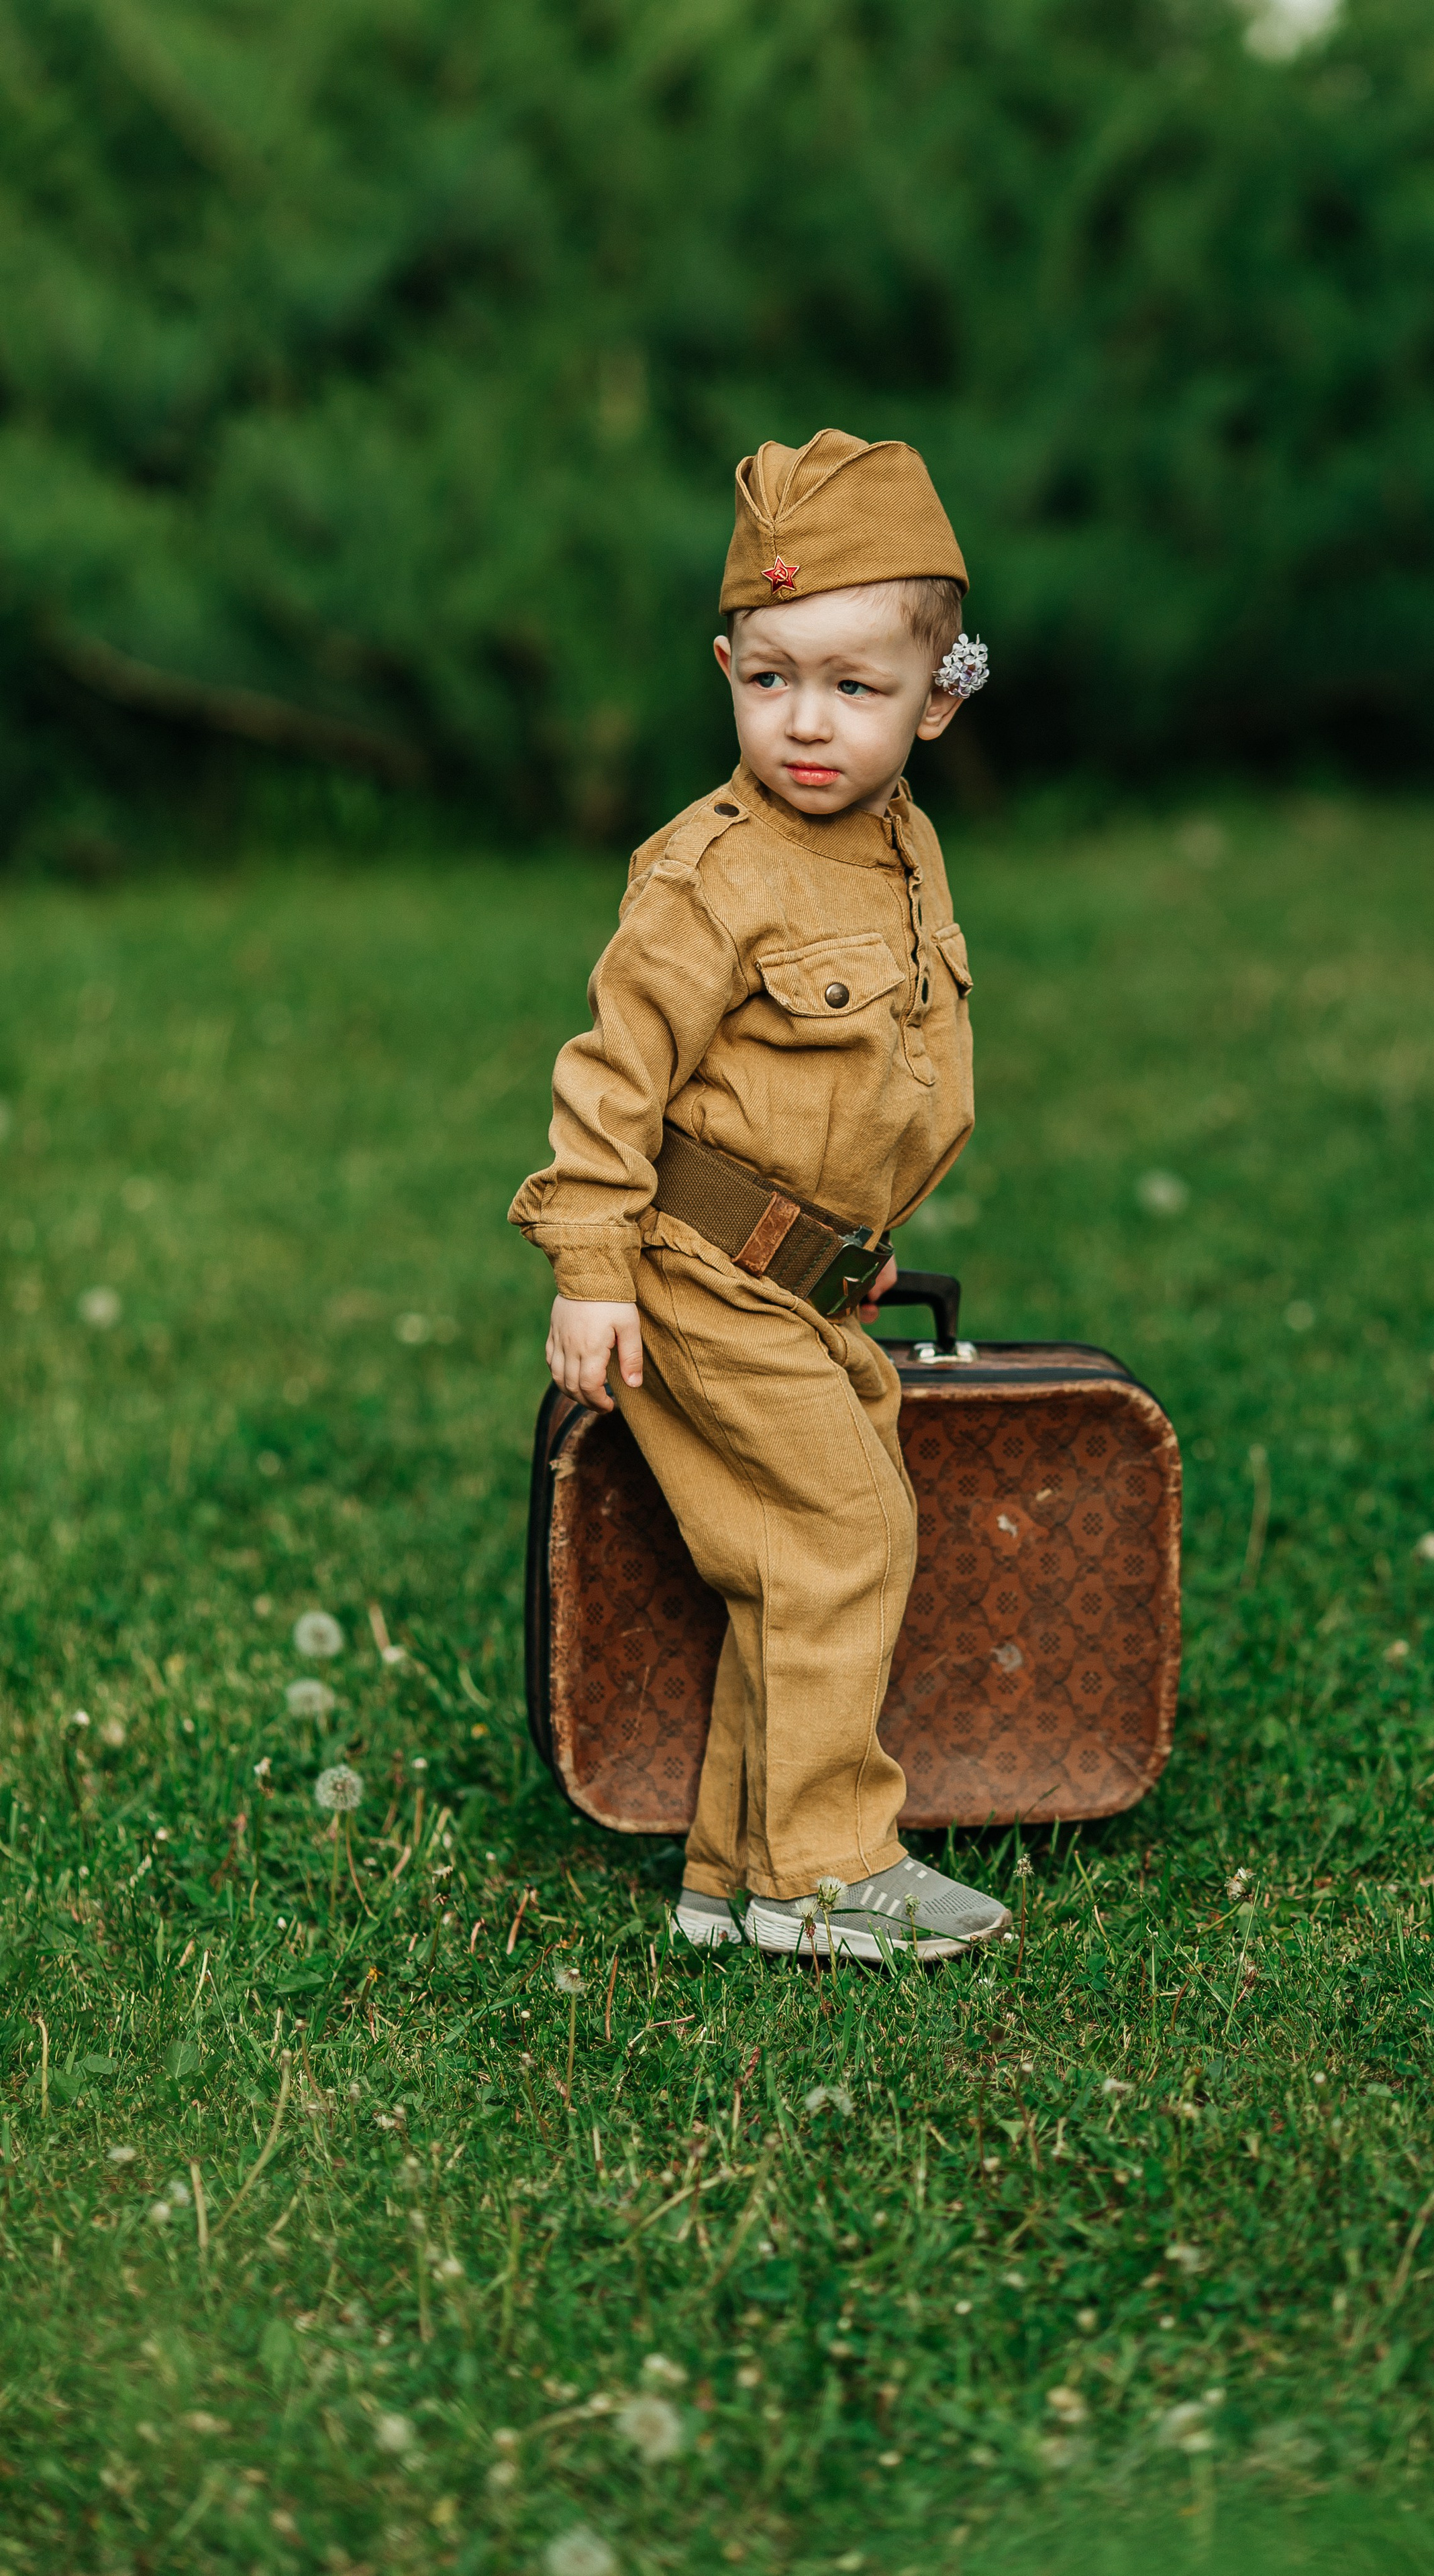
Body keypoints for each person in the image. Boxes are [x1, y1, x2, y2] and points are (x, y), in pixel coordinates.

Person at [510, 427, 1009, 1964]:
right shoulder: (707, 876)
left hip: (810, 1285)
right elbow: (611, 1078)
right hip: (698, 1270)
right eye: (767, 677)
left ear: (939, 697)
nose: (806, 723)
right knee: (847, 1536)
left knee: (789, 1561)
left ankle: (730, 1878)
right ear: (725, 662)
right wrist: (589, 1269)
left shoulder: (897, 842)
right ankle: (827, 1869)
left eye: (856, 689)